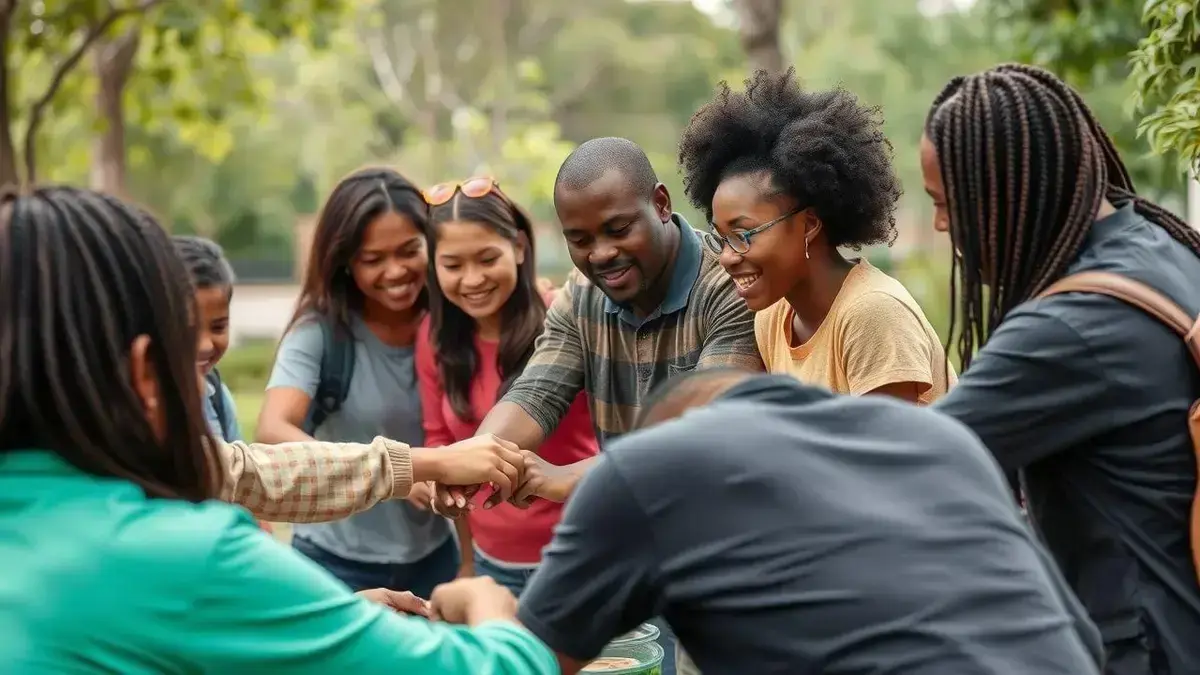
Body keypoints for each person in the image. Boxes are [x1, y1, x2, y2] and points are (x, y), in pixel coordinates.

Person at [0, 185, 556, 674]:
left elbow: (245, 469)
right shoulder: (189, 556)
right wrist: (490, 610)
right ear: (147, 374)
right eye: (188, 355)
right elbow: (495, 668)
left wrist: (333, 616)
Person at [488, 369, 1103, 675]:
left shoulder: (652, 464)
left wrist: (481, 607)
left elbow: (525, 664)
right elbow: (1082, 640)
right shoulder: (940, 437)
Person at [922, 64, 1200, 673]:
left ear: (997, 190)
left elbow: (920, 455)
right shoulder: (1164, 247)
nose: (942, 226)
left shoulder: (1073, 325)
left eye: (946, 203)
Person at [677, 69, 952, 403]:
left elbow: (886, 453)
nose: (727, 257)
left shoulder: (872, 314)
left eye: (744, 234)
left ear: (808, 225)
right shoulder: (773, 317)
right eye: (722, 238)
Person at [256, 167, 458, 597]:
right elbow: (273, 432)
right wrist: (398, 476)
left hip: (439, 556)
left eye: (409, 250)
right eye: (373, 259)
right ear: (345, 261)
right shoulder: (320, 332)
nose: (396, 271)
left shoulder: (455, 321)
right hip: (336, 565)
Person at [415, 177, 598, 595]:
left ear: (518, 247)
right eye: (453, 265)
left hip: (582, 556)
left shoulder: (565, 318)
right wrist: (466, 564)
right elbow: (442, 445)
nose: (473, 278)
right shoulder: (434, 338)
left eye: (486, 258)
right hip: (492, 567)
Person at [173, 235, 244, 442]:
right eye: (189, 329)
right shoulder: (133, 407)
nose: (205, 345)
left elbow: (238, 472)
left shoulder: (218, 399)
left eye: (218, 327)